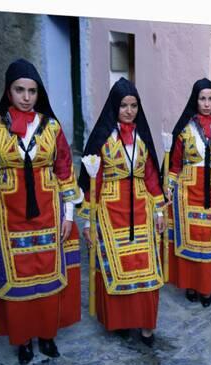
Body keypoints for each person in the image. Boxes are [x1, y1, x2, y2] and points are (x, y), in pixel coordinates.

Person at [0, 58, 83, 365]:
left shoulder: (52, 127)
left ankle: (46, 335)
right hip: (8, 216)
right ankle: (23, 340)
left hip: (48, 212)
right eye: (19, 89)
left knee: (46, 276)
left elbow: (64, 171)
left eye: (32, 90)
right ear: (8, 91)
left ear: (38, 93)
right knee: (16, 280)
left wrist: (69, 216)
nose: (26, 97)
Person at [78, 77, 166, 347]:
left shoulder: (142, 138)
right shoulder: (103, 139)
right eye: (124, 105)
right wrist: (87, 222)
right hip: (110, 209)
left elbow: (151, 175)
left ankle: (147, 325)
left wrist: (160, 211)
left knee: (147, 268)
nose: (129, 110)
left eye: (134, 105)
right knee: (116, 268)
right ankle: (121, 322)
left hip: (141, 207)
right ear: (114, 106)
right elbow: (94, 180)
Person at [166, 78, 211, 307]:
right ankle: (190, 285)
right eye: (202, 98)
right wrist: (169, 186)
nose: (206, 103)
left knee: (209, 243)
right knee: (188, 241)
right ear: (195, 100)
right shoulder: (185, 130)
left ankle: (206, 289)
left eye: (210, 99)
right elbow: (175, 162)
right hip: (186, 193)